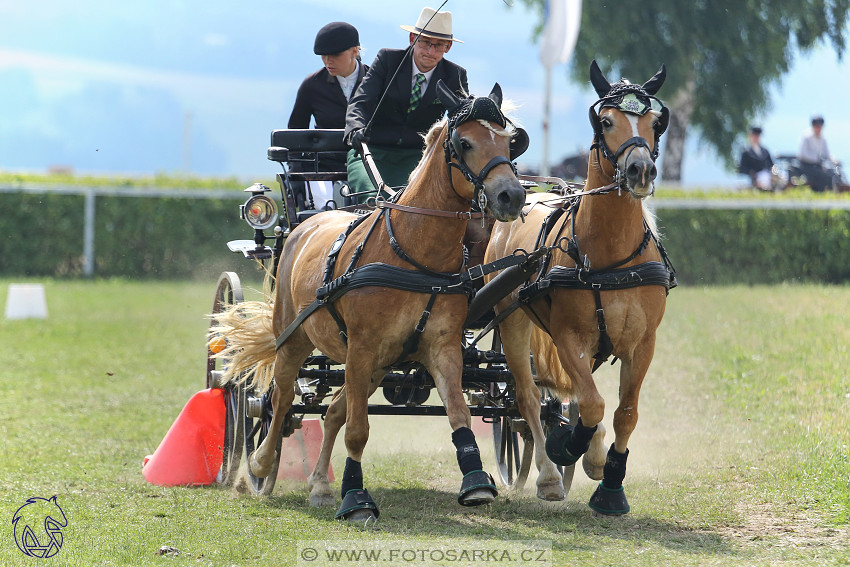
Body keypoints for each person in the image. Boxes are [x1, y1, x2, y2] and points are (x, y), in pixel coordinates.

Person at [344, 7, 469, 202]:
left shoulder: (455, 76)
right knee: (372, 200)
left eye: (438, 45)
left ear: (448, 47)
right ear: (412, 39)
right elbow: (361, 100)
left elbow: (463, 117)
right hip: (372, 151)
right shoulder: (388, 60)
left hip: (418, 157)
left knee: (418, 203)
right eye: (425, 42)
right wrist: (355, 128)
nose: (430, 51)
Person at [288, 22, 367, 208]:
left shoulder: (375, 82)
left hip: (367, 166)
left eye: (335, 55)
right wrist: (296, 174)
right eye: (324, 56)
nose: (327, 61)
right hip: (323, 169)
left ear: (354, 51)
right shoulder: (311, 85)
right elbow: (295, 133)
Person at [798, 115, 839, 192]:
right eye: (817, 126)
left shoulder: (822, 137)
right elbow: (802, 154)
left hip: (817, 166)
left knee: (831, 174)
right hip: (805, 165)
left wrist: (834, 160)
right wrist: (817, 158)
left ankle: (831, 193)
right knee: (823, 175)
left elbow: (827, 153)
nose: (818, 128)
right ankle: (820, 193)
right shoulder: (806, 136)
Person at [737, 126, 774, 191]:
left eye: (757, 136)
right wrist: (752, 173)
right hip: (753, 177)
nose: (755, 138)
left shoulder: (764, 151)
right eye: (754, 136)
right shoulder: (746, 152)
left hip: (766, 175)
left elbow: (771, 164)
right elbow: (742, 168)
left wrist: (771, 172)